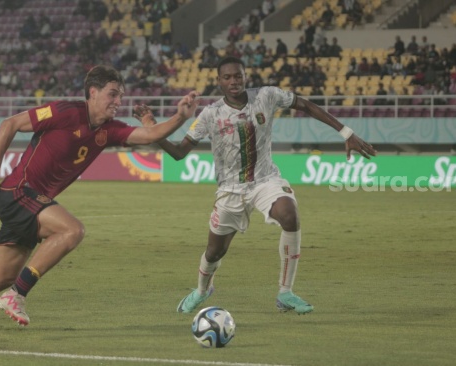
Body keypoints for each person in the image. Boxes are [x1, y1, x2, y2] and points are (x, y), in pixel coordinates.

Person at [0, 65, 200, 332]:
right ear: (93, 92)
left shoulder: (109, 130)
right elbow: (9, 124)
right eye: (112, 94)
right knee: (72, 230)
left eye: (121, 95)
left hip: (31, 202)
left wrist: (181, 117)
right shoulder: (64, 112)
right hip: (17, 192)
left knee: (0, 275)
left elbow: (151, 133)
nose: (118, 101)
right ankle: (17, 294)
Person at [134, 57, 376, 316]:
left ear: (245, 76)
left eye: (237, 76)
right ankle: (203, 290)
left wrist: (346, 132)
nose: (233, 81)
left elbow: (304, 104)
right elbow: (180, 152)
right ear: (219, 82)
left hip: (265, 180)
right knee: (215, 252)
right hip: (229, 189)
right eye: (227, 77)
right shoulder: (210, 114)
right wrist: (150, 125)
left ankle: (285, 292)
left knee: (289, 215)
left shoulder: (266, 96)